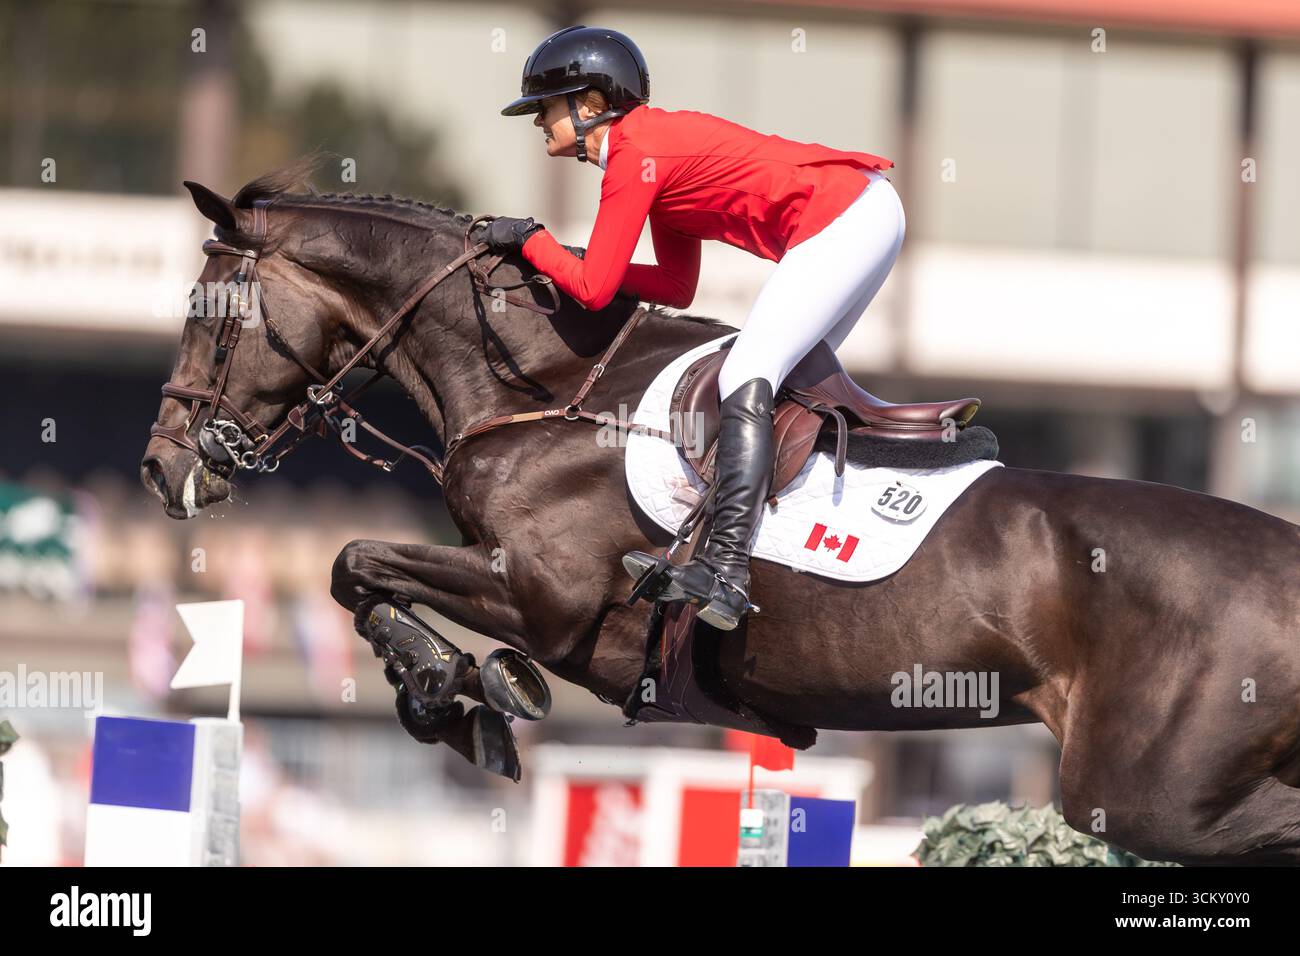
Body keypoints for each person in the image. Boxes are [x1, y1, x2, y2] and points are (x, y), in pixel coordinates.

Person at [489, 25, 905, 630]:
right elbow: (673, 286)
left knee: (746, 373)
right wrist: (566, 255)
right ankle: (788, 546)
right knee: (783, 388)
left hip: (846, 218)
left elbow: (594, 288)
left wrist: (535, 244)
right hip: (864, 212)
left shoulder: (633, 154)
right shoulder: (650, 152)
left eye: (545, 107)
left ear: (590, 107)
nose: (536, 122)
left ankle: (727, 569)